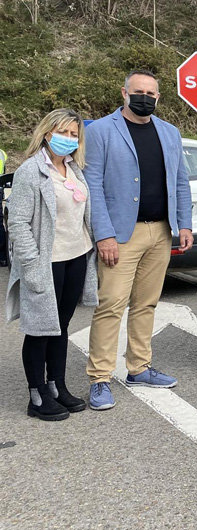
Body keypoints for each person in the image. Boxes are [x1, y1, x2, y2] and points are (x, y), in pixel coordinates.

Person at [83, 70, 193, 410]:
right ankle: (100, 378)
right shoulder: (100, 131)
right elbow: (93, 187)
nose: (144, 96)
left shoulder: (170, 132)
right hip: (120, 234)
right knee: (111, 305)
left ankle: (139, 367)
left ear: (158, 98)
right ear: (124, 93)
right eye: (138, 90)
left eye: (151, 92)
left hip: (160, 231)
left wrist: (184, 224)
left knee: (146, 304)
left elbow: (180, 182)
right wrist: (104, 234)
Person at [5, 109, 98, 420]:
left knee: (61, 326)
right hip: (46, 262)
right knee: (39, 329)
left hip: (76, 256)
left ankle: (56, 385)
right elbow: (17, 223)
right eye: (63, 132)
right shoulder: (30, 172)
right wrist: (31, 265)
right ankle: (37, 394)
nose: (68, 139)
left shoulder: (75, 169)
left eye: (74, 134)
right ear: (46, 133)